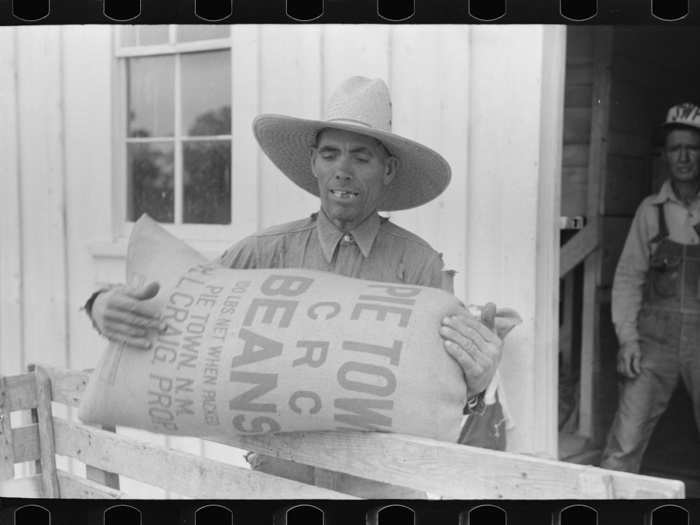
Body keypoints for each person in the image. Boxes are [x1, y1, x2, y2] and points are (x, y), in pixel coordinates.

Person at [86, 76, 505, 490]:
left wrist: (477, 382)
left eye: (361, 157)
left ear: (388, 169)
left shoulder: (419, 266)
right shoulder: (263, 253)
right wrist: (102, 305)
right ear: (314, 163)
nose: (342, 170)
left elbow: (442, 399)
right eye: (330, 154)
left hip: (378, 490)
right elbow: (183, 308)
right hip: (279, 481)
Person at [600, 102, 700, 473]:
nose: (685, 157)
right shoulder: (650, 210)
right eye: (676, 148)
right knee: (623, 444)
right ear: (665, 155)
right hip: (653, 344)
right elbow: (628, 277)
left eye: (693, 147)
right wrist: (627, 339)